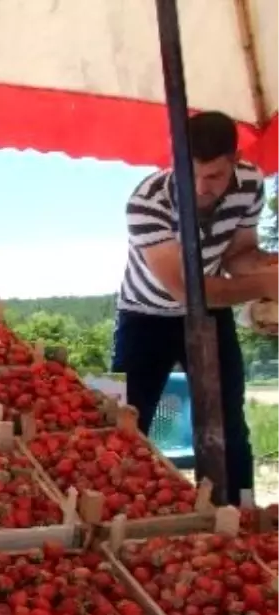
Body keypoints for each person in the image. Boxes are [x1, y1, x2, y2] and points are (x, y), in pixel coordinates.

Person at [112, 110, 279, 505]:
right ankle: (116, 514)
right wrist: (265, 283)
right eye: (192, 174)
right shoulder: (145, 202)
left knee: (227, 421)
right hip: (143, 316)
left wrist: (267, 264)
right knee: (122, 422)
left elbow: (238, 254)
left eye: (215, 177)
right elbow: (188, 292)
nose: (202, 188)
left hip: (211, 312)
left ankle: (237, 515)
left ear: (235, 162)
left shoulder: (251, 184)